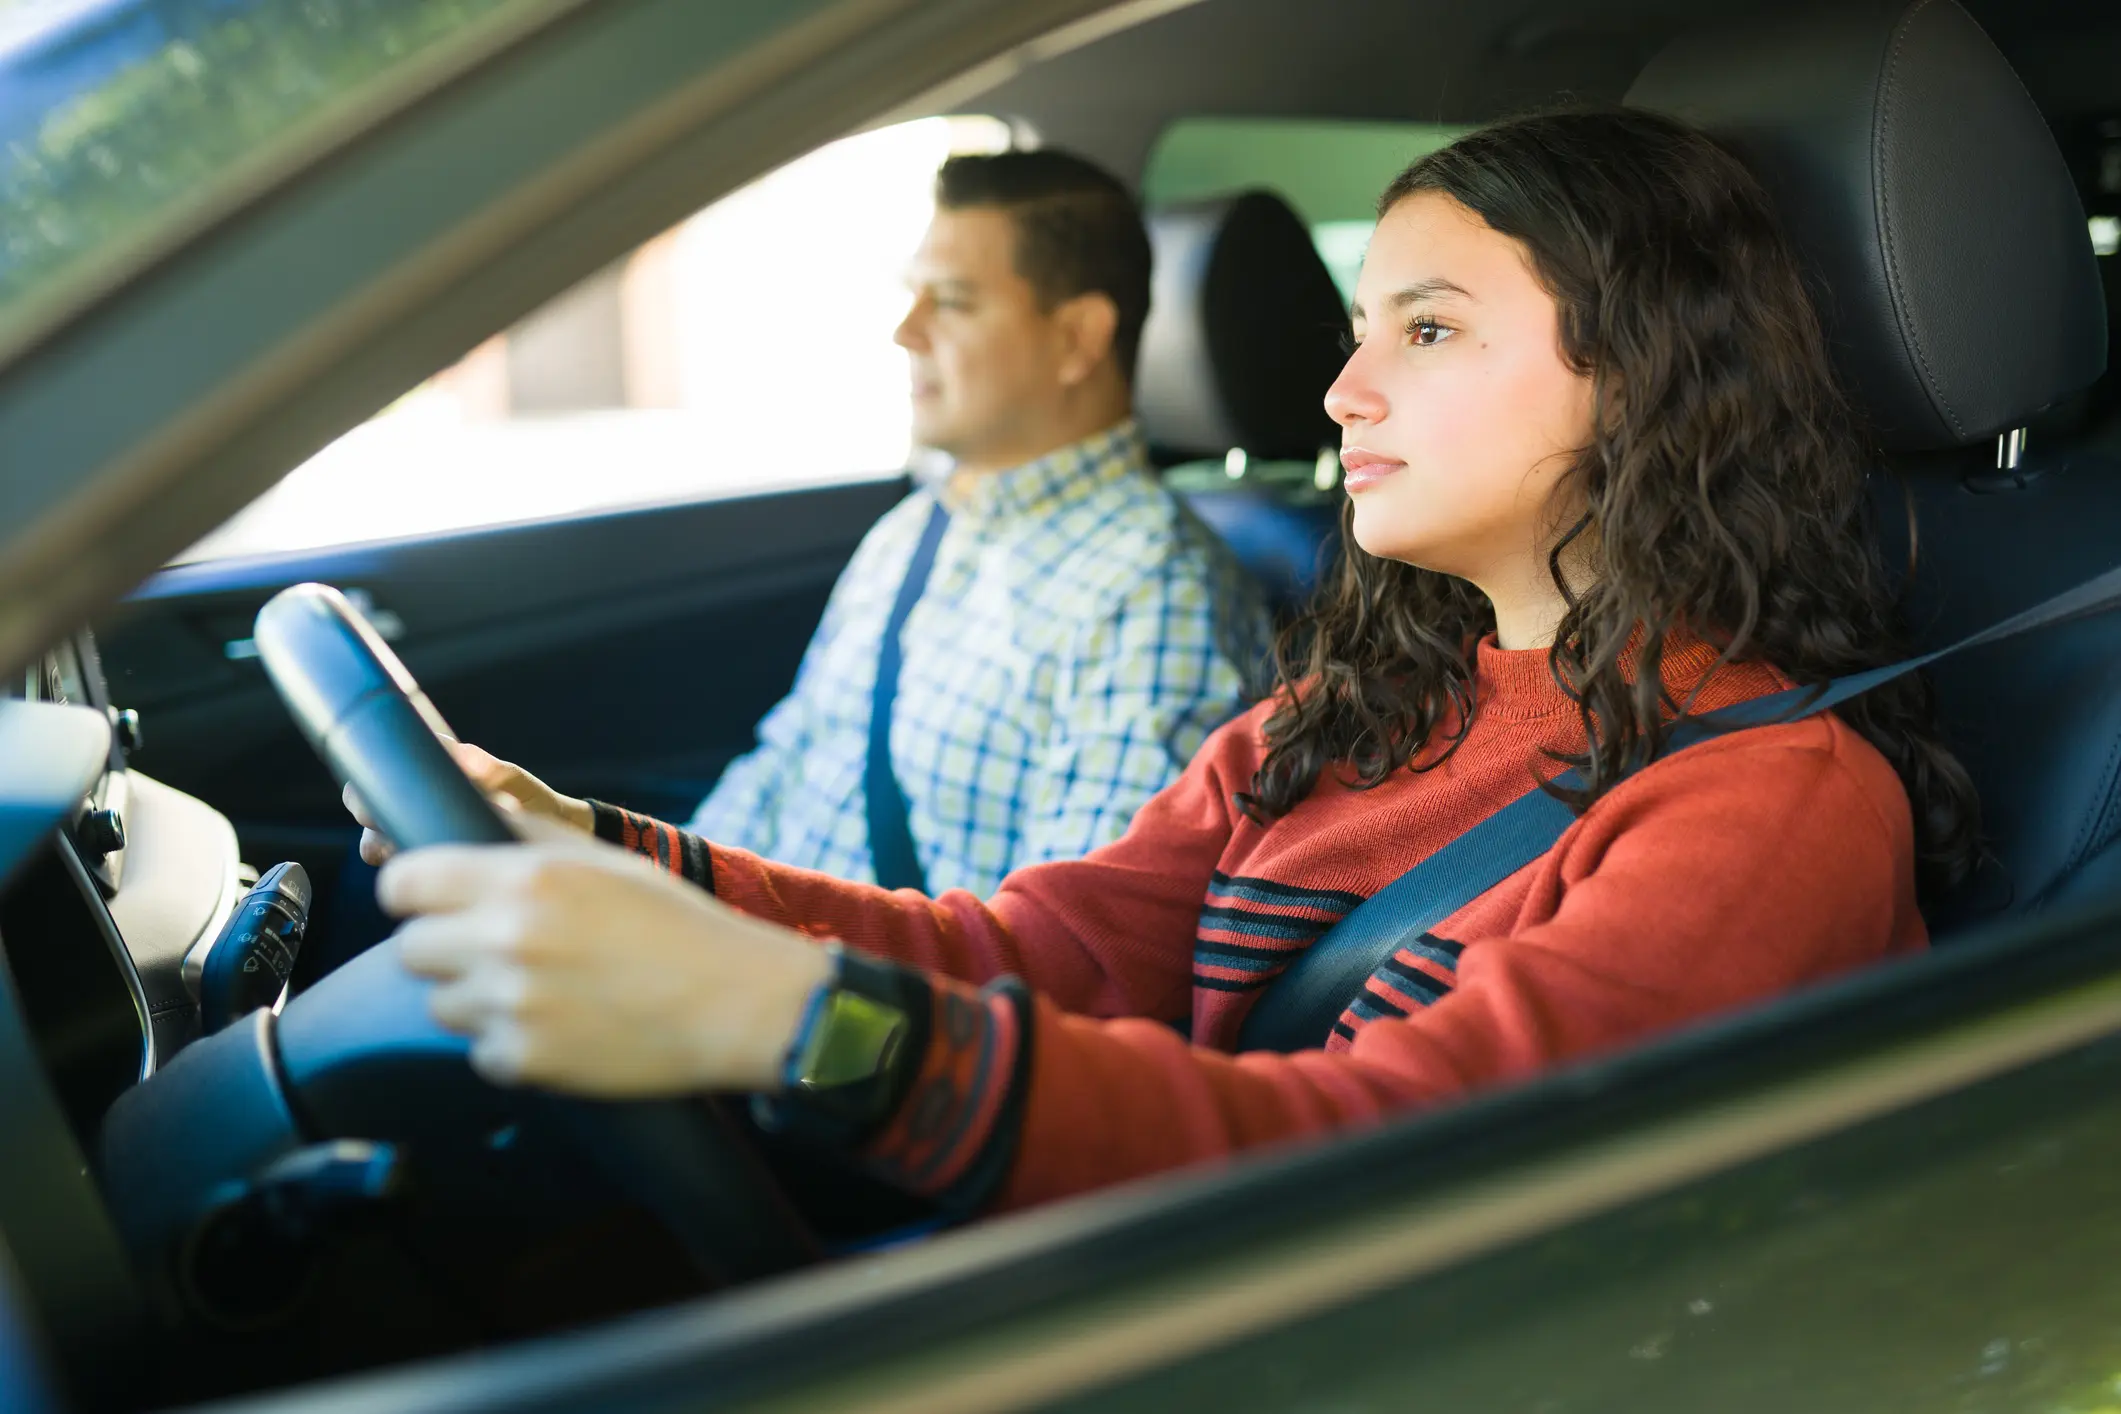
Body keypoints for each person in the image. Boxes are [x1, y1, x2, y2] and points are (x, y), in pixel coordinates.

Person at [358, 110, 1979, 1227]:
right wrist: (620, 854)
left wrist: (814, 1026)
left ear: (1644, 380)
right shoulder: (1362, 701)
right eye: (1358, 325)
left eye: (1426, 329)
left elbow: (1394, 1168)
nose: (1340, 388)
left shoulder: (1770, 804)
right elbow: (1040, 947)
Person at [682, 147, 1272, 896]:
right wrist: (648, 891)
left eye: (952, 301)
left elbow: (1062, 954)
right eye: (914, 294)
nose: (906, 330)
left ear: (1078, 338)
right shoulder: (914, 528)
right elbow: (786, 759)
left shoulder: (1154, 597)